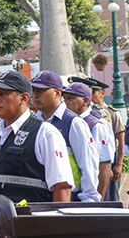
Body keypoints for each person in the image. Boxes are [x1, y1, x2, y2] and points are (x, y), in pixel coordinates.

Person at [0, 71, 74, 237]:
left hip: (31, 230)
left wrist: (55, 232)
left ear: (23, 98)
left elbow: (62, 187)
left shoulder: (44, 133)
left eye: (4, 94)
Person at [31, 71, 100, 202]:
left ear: (57, 93)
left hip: (72, 198)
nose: (36, 95)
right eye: (34, 90)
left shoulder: (73, 122)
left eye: (41, 90)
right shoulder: (34, 122)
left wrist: (89, 201)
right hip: (42, 198)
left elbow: (88, 165)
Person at [76, 76, 125, 201]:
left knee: (111, 196)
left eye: (94, 92)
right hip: (90, 161)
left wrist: (119, 164)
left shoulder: (111, 112)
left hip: (107, 158)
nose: (92, 95)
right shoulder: (83, 112)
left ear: (102, 94)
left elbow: (121, 140)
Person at [62, 83, 115, 198]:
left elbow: (104, 165)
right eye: (64, 98)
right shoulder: (67, 122)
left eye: (71, 98)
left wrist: (98, 199)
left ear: (85, 101)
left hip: (91, 193)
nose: (66, 102)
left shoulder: (96, 125)